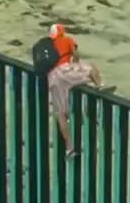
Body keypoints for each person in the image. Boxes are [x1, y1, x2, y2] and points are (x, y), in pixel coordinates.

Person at [46, 24, 109, 158]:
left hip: (53, 78)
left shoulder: (48, 44)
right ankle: (100, 85)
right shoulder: (67, 39)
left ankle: (69, 147)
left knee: (60, 114)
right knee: (91, 69)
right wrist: (75, 65)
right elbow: (76, 54)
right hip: (64, 72)